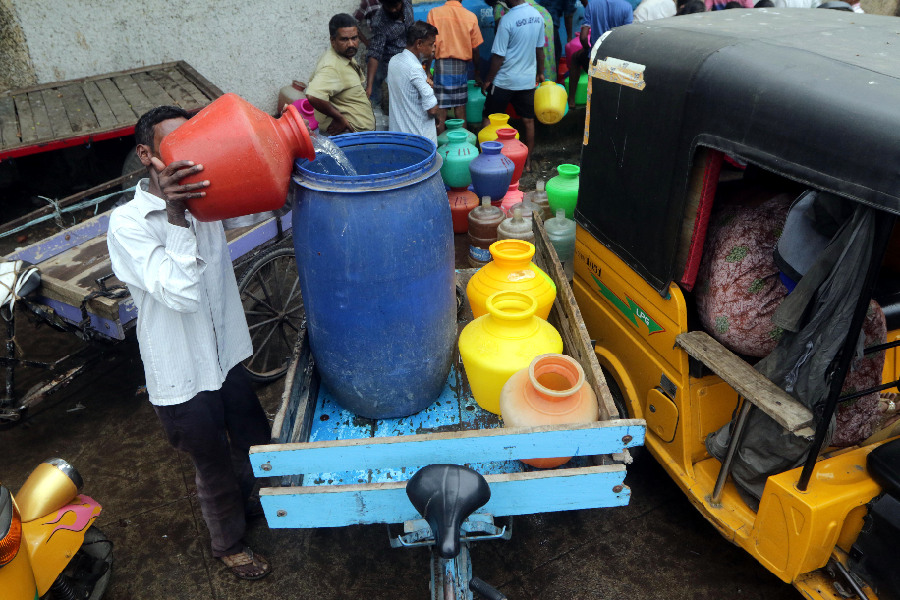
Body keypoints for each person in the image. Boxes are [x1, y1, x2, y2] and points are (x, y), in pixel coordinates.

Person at [107, 106, 272, 581]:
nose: (188, 155)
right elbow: (179, 293)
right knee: (212, 464)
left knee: (255, 440)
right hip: (182, 373)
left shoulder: (206, 196)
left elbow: (260, 203)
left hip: (224, 357)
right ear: (147, 155)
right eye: (174, 145)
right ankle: (228, 544)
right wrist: (177, 214)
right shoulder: (129, 223)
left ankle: (250, 504)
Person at [481, 0, 545, 172]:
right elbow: (540, 50)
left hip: (505, 80)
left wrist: (488, 80)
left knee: (488, 118)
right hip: (527, 81)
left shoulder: (507, 20)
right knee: (528, 121)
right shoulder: (537, 16)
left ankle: (487, 162)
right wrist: (540, 73)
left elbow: (498, 56)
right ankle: (527, 163)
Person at [307, 13, 376, 135]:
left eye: (354, 38)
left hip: (358, 136)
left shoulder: (345, 56)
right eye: (344, 39)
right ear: (333, 41)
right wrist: (339, 118)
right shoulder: (332, 66)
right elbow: (313, 95)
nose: (351, 44)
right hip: (346, 136)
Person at [427, 0, 484, 131]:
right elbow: (475, 49)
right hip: (461, 68)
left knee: (441, 108)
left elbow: (431, 46)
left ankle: (439, 142)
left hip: (441, 66)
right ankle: (462, 139)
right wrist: (477, 72)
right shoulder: (470, 16)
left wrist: (428, 71)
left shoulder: (434, 13)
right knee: (460, 107)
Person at [567, 0, 632, 109]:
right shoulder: (627, 7)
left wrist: (588, 50)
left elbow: (583, 37)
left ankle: (571, 101)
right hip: (617, 61)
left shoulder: (592, 5)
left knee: (575, 57)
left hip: (596, 60)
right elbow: (629, 37)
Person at [387, 21, 440, 144]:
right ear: (419, 43)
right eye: (431, 44)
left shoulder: (393, 60)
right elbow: (432, 109)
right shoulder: (415, 69)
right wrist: (437, 116)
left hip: (398, 137)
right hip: (419, 140)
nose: (433, 49)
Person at [488, 0, 557, 86]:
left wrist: (489, 80)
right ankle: (547, 85)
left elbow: (501, 44)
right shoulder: (526, 4)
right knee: (544, 56)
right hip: (544, 17)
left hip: (530, 22)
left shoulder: (499, 7)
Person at [365, 0, 415, 113]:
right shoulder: (379, 22)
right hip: (393, 65)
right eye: (389, 7)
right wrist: (369, 86)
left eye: (396, 5)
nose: (393, 10)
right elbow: (374, 53)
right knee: (401, 103)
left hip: (412, 58)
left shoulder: (407, 3)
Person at [536, 0, 577, 67]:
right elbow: (568, 14)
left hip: (535, 20)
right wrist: (569, 37)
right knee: (554, 54)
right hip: (549, 24)